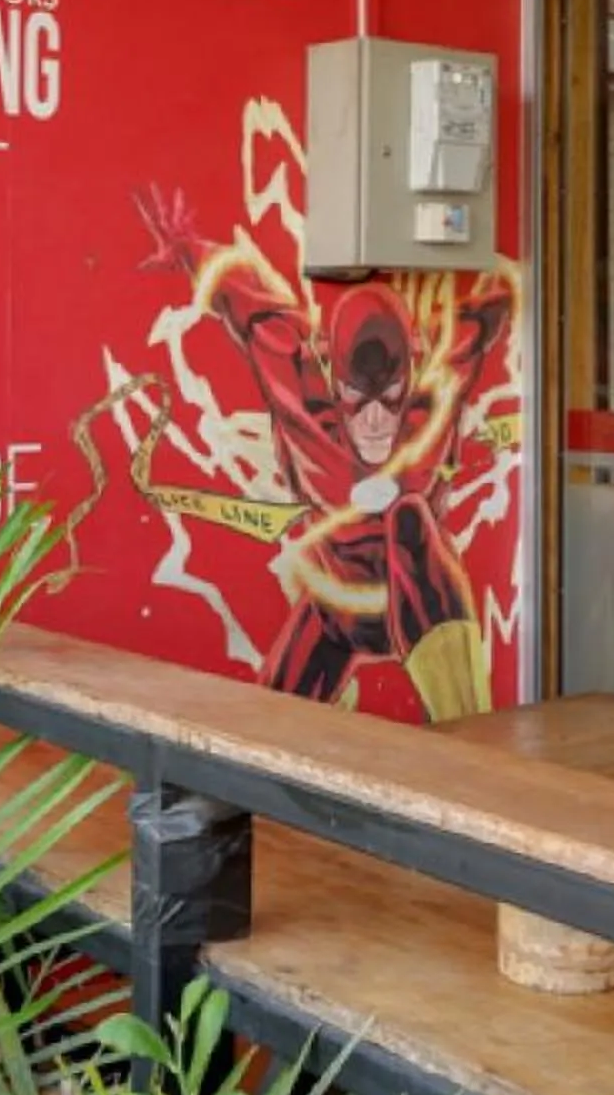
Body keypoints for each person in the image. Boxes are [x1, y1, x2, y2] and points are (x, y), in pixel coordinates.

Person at [134, 185, 512, 721]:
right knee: (272, 730)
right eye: (360, 400)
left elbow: (475, 328)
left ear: (409, 386)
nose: (376, 420)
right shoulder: (307, 405)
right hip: (340, 604)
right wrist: (187, 249)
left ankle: (474, 738)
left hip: (420, 602)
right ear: (335, 383)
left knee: (409, 516)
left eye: (391, 399)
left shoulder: (431, 408)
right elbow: (254, 311)